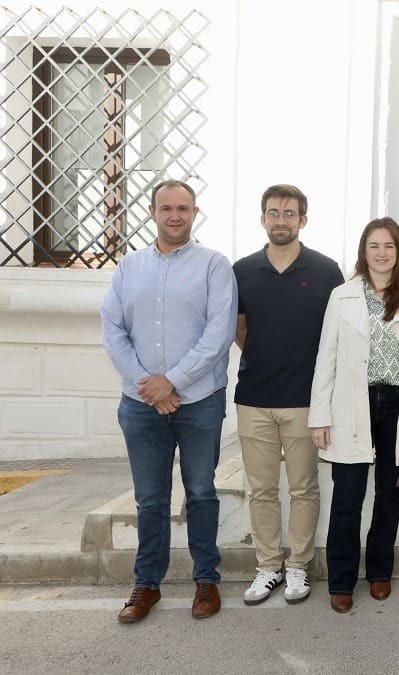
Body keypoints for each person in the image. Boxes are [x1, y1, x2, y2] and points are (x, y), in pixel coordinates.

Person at [100, 179, 237, 623]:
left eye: (184, 208)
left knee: (200, 492)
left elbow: (218, 334)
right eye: (167, 208)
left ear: (195, 213)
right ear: (153, 212)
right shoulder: (128, 268)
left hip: (199, 401)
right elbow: (113, 330)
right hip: (140, 404)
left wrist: (172, 382)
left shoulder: (215, 266)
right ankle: (146, 585)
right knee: (150, 499)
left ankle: (205, 581)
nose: (175, 215)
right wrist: (148, 384)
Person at [308, 217, 399, 613]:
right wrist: (320, 416)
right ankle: (342, 579)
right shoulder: (342, 296)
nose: (381, 254)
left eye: (389, 246)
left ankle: (380, 572)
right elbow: (325, 358)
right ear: (363, 252)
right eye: (374, 246)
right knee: (347, 495)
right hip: (352, 404)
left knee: (389, 492)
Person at [233, 185, 343, 606]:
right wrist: (264, 356)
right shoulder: (241, 270)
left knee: (303, 487)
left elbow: (333, 334)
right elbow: (238, 328)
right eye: (274, 212)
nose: (282, 220)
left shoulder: (325, 270)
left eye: (290, 213)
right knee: (260, 489)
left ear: (303, 220)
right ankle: (267, 567)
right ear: (263, 218)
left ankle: (297, 565)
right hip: (255, 397)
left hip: (305, 400)